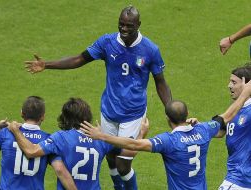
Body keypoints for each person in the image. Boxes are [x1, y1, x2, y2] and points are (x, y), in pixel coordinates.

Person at [24, 5, 172, 190]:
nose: (124, 29)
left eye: (129, 26)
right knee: (109, 156)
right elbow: (79, 59)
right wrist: (47, 65)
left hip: (133, 114)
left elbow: (160, 82)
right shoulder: (107, 42)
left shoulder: (150, 49)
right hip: (109, 111)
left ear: (138, 25)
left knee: (123, 163)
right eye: (121, 24)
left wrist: (171, 110)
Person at [80, 78, 251, 190]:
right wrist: (246, 92)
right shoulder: (204, 130)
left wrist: (101, 135)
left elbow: (133, 144)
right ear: (187, 114)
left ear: (168, 119)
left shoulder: (168, 141)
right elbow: (228, 115)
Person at [8, 97, 143, 190]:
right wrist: (142, 133)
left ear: (66, 117)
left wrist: (15, 131)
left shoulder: (61, 138)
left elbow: (31, 151)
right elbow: (130, 152)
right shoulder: (101, 139)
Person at [0, 96, 77, 190]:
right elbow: (59, 169)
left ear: (22, 113)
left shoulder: (6, 133)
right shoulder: (49, 140)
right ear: (43, 117)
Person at [213, 64, 251, 190]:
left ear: (247, 85)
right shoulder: (236, 109)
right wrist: (198, 128)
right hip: (238, 178)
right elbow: (220, 132)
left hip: (240, 180)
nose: (229, 86)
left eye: (234, 82)